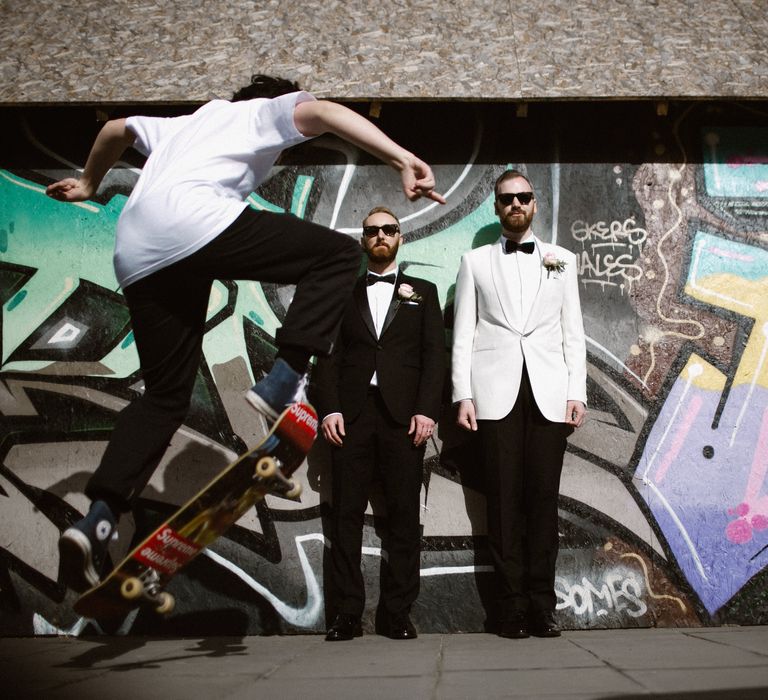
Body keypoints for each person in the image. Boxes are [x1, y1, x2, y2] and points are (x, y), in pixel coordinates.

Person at [46, 74, 445, 593]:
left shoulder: (184, 124)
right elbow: (324, 113)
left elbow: (115, 130)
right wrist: (399, 158)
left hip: (136, 251)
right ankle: (283, 382)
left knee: (165, 399)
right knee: (340, 255)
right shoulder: (259, 113)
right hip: (193, 225)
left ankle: (96, 520)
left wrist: (89, 183)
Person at [451, 169, 586, 638]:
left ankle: (542, 607)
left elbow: (574, 332)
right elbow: (463, 334)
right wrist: (461, 394)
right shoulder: (474, 263)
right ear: (496, 206)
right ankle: (509, 610)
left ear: (534, 204)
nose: (515, 205)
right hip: (493, 395)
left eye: (523, 197)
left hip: (549, 396)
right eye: (507, 198)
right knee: (503, 506)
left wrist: (577, 392)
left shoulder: (562, 260)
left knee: (543, 504)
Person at [313, 206, 445, 641]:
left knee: (404, 517)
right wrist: (329, 409)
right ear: (363, 240)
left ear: (400, 237)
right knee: (346, 517)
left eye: (389, 229)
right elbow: (326, 359)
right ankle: (347, 614)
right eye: (372, 231)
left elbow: (434, 358)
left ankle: (397, 613)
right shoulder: (342, 294)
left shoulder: (424, 292)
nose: (381, 236)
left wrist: (427, 410)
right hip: (351, 417)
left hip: (404, 420)